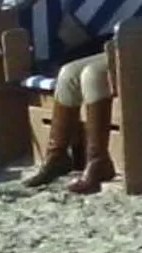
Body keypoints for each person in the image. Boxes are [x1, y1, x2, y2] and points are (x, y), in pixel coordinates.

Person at [24, 49, 116, 194]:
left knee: (93, 75)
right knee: (67, 74)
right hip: (123, 44)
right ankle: (57, 156)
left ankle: (98, 160)